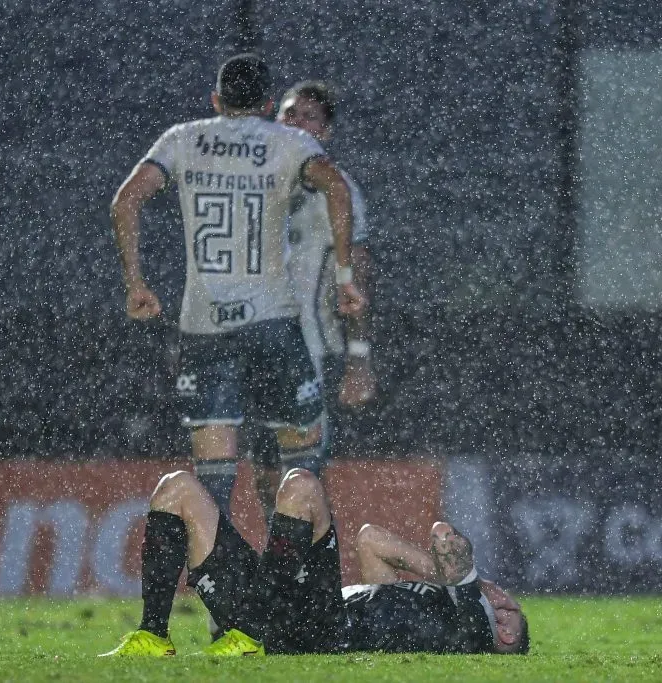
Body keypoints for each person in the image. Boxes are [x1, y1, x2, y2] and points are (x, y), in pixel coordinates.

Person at [110, 54, 365, 520]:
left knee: (214, 472)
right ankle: (300, 562)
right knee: (300, 460)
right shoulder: (288, 144)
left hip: (204, 325)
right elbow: (337, 188)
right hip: (273, 322)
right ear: (268, 106)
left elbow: (125, 201)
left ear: (215, 100)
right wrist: (346, 278)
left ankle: (220, 563)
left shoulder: (182, 138)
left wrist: (135, 283)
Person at [99, 467, 530, 656]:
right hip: (282, 606)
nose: (503, 599)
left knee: (302, 487)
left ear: (506, 633)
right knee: (176, 488)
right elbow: (370, 540)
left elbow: (443, 536)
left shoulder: (472, 629)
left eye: (508, 608)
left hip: (322, 627)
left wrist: (470, 584)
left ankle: (252, 631)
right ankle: (153, 635)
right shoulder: (428, 607)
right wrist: (440, 579)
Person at [247, 80, 377, 512]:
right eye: (290, 113)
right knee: (265, 471)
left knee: (301, 472)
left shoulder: (338, 191)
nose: (296, 122)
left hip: (309, 348)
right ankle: (279, 549)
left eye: (309, 117)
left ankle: (305, 551)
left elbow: (359, 275)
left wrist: (359, 357)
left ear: (325, 131)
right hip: (253, 342)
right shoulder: (251, 180)